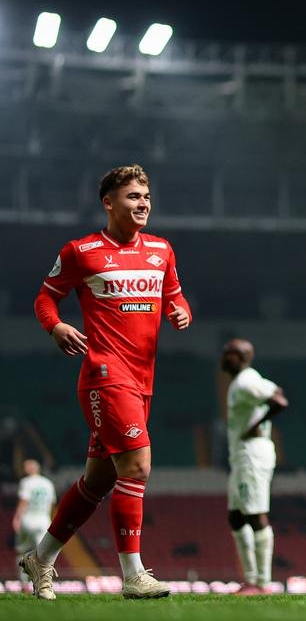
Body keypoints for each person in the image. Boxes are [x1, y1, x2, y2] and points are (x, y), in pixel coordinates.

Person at [23, 163, 192, 600]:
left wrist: (180, 312)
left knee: (97, 481)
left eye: (147, 197)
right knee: (136, 466)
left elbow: (175, 297)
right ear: (109, 202)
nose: (143, 204)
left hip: (143, 380)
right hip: (105, 375)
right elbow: (45, 297)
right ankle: (133, 575)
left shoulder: (162, 250)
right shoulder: (82, 251)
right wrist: (56, 326)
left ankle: (40, 558)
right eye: (134, 196)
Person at [222, 338, 288, 595]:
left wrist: (255, 426)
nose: (223, 358)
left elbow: (280, 402)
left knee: (255, 514)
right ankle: (251, 579)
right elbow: (276, 390)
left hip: (251, 454)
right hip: (242, 455)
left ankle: (262, 583)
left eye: (228, 353)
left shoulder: (246, 382)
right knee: (236, 516)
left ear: (239, 358)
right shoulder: (249, 380)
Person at [13, 460, 56, 588]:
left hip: (28, 519)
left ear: (28, 469)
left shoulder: (26, 482)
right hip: (44, 520)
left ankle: (24, 584)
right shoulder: (48, 483)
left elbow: (24, 500)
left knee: (21, 552)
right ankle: (43, 585)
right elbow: (51, 504)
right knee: (43, 556)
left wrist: (16, 518)